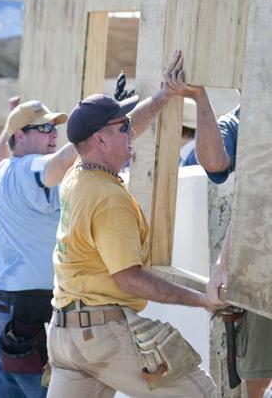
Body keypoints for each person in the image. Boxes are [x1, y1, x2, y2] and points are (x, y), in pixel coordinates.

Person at [47, 51, 222, 398]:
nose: (131, 132)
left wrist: (163, 97)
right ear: (99, 140)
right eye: (122, 127)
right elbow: (128, 278)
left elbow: (118, 136)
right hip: (101, 335)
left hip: (64, 337)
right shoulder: (108, 198)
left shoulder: (77, 175)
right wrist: (203, 300)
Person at [164, 67, 272, 398]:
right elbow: (215, 166)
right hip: (262, 269)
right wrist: (199, 97)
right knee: (259, 372)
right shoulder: (242, 122)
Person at [0, 99, 77, 398]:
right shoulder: (29, 166)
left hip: (4, 307)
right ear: (19, 136)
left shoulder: (3, 170)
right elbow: (58, 165)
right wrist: (91, 130)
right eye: (43, 128)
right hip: (27, 311)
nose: (53, 134)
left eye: (54, 127)